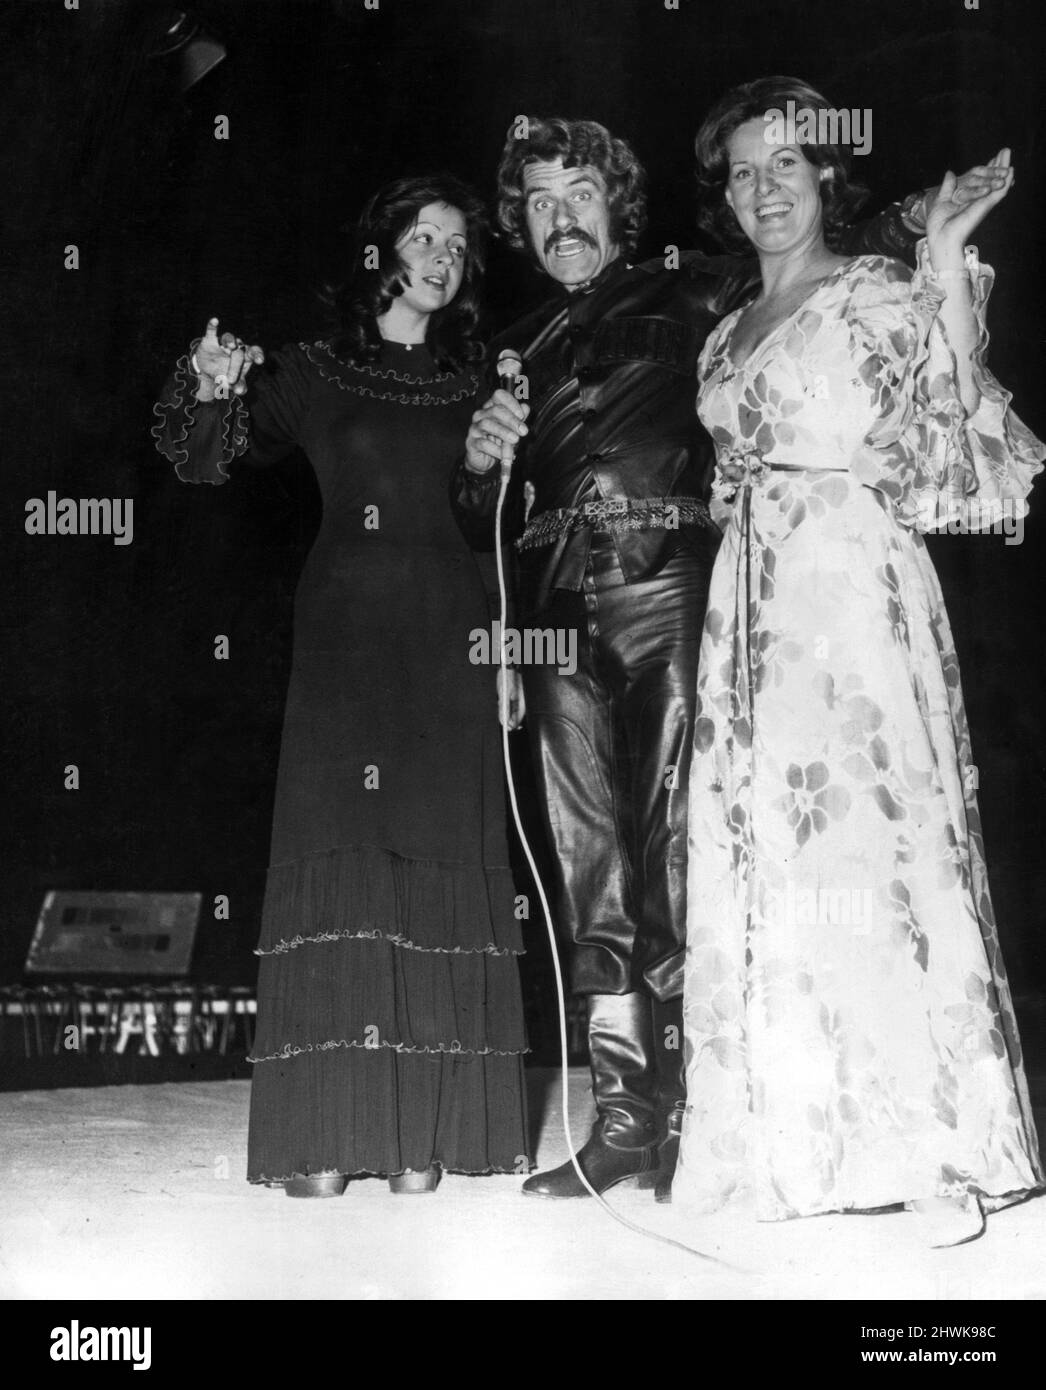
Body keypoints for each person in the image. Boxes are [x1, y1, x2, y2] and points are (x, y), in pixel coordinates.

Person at [450, 116, 979, 1200]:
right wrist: (473, 458)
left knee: (682, 855)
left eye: (578, 195)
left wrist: (923, 214)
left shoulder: (693, 292)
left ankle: (703, 1114)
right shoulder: (512, 347)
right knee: (586, 871)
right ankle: (625, 1123)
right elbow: (478, 518)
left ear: (615, 204)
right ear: (521, 224)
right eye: (540, 203)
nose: (561, 219)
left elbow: (805, 246)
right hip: (554, 615)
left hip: (671, 593)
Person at [673, 77, 1044, 1246]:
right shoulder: (726, 327)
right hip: (750, 606)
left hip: (850, 585)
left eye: (785, 163)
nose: (762, 188)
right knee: (770, 856)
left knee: (872, 843)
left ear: (827, 177)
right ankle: (791, 1140)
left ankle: (925, 1141)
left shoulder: (875, 290)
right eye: (740, 171)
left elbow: (951, 398)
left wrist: (940, 248)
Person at [153, 175, 530, 1196]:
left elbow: (489, 532)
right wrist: (210, 381)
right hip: (345, 646)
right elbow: (200, 463)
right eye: (423, 237)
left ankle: (418, 1137)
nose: (443, 257)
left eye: (458, 245)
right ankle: (330, 1134)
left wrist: (503, 649)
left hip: (450, 639)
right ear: (380, 250)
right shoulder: (314, 371)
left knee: (434, 856)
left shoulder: (474, 383)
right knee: (344, 856)